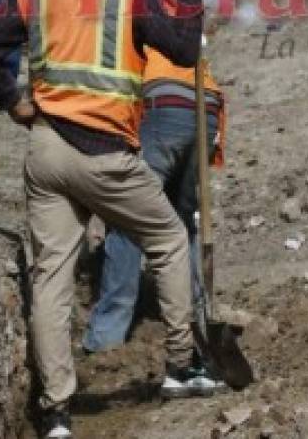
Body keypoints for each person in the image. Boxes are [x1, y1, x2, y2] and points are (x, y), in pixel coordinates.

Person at [0, 0, 222, 439]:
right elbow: (182, 48)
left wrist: (13, 102)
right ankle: (182, 365)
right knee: (166, 240)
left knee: (51, 276)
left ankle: (56, 411)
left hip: (49, 150)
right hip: (108, 154)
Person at [81, 49, 226, 353]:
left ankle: (106, 337)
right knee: (181, 220)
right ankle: (195, 322)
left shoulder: (129, 21)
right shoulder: (176, 24)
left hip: (161, 105)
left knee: (129, 220)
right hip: (207, 106)